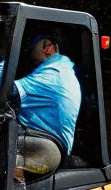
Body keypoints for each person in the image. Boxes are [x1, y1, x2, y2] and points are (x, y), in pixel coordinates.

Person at [10, 34, 81, 178]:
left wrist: (1, 60)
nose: (29, 54)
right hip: (48, 143)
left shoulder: (53, 72)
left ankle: (15, 189)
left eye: (32, 48)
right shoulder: (62, 67)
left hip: (46, 148)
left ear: (48, 48)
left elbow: (7, 91)